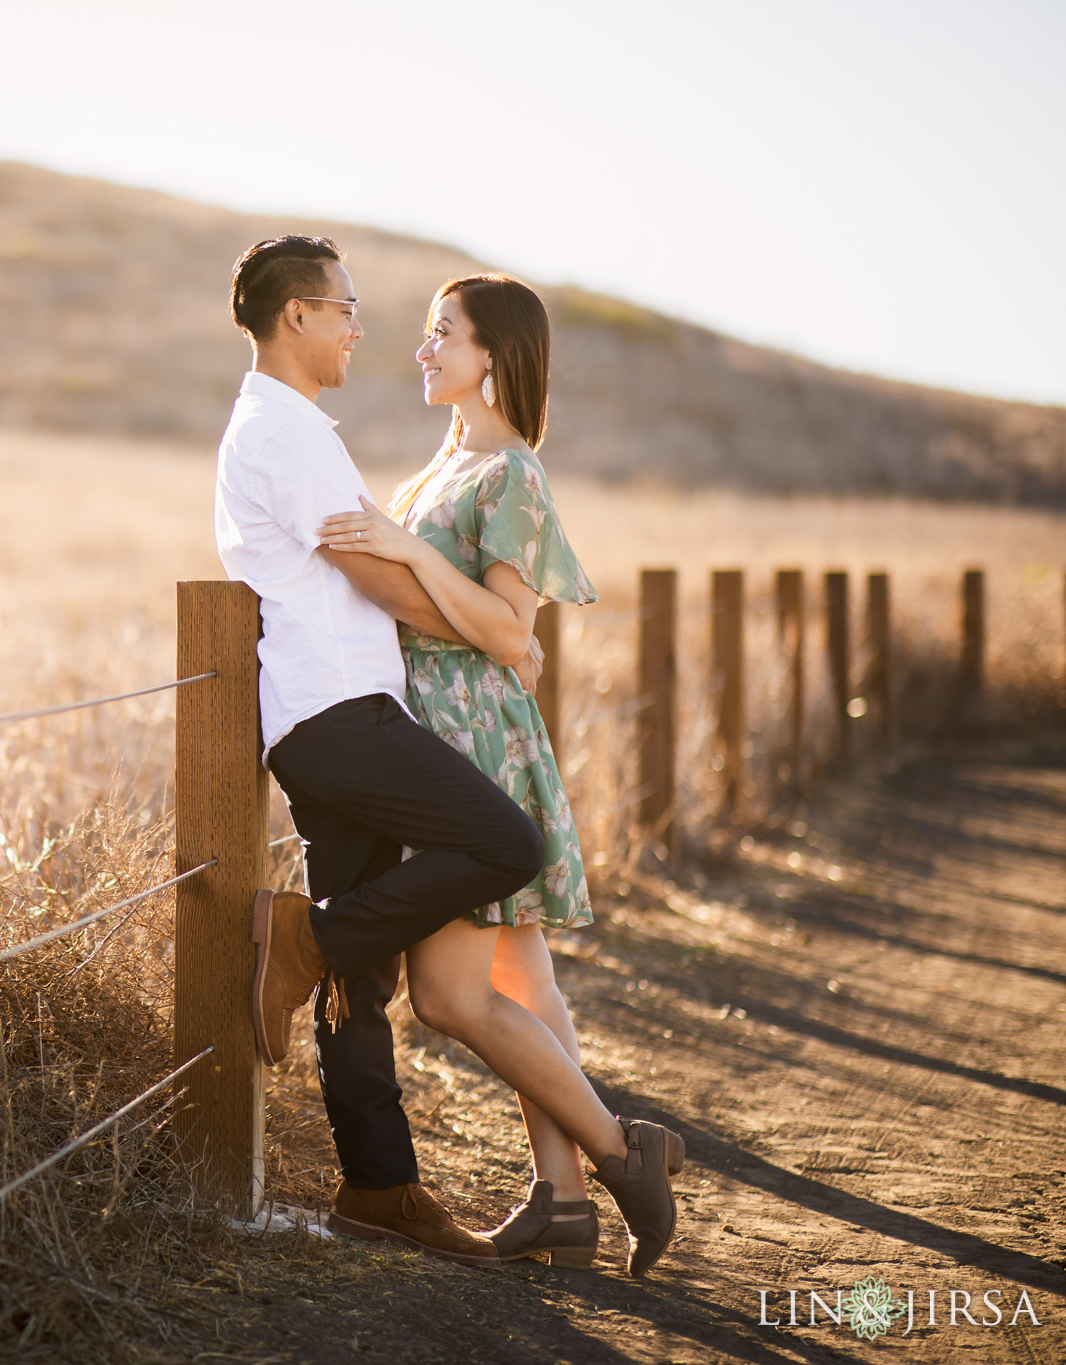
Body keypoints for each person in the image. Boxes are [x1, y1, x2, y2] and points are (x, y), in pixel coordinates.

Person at [314, 272, 684, 1276]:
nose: (423, 348)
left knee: (448, 998)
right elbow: (461, 622)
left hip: (471, 748)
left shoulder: (510, 474)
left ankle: (620, 1155)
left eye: (443, 333)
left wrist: (409, 559)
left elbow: (508, 629)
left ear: (493, 356)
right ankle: (560, 1202)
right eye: (427, 332)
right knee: (521, 974)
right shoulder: (435, 472)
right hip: (443, 729)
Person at [217, 235, 547, 1267]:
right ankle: (302, 940)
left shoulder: (287, 424)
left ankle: (377, 1187)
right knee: (506, 846)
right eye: (345, 308)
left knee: (361, 979)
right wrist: (493, 633)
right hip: (335, 715)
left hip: (336, 710)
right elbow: (373, 576)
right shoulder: (284, 430)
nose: (360, 327)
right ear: (296, 317)